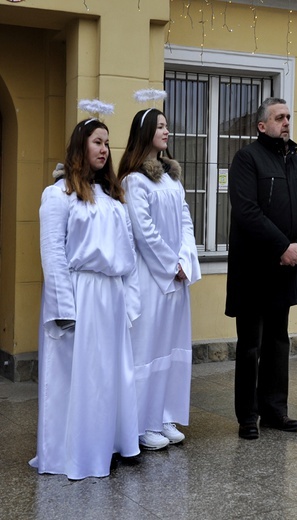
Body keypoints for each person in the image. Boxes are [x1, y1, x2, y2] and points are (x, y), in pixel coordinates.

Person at [30, 118, 141, 479]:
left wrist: (131, 300)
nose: (104, 149)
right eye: (97, 141)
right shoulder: (59, 195)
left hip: (111, 297)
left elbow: (130, 255)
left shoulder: (113, 198)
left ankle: (110, 441)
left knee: (110, 374)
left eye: (107, 142)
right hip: (81, 294)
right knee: (83, 377)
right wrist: (64, 308)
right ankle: (78, 450)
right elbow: (53, 253)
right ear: (82, 146)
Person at [225, 97, 297, 439]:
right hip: (255, 269)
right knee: (251, 344)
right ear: (262, 125)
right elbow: (247, 211)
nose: (286, 123)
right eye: (279, 118)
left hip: (287, 268)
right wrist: (282, 246)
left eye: (288, 117)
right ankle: (248, 416)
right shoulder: (247, 159)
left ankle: (275, 410)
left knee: (279, 342)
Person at [118, 108, 202, 449]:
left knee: (172, 346)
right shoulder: (134, 180)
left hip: (176, 278)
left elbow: (185, 222)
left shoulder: (172, 178)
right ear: (145, 133)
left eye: (168, 125)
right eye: (160, 126)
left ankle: (165, 414)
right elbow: (143, 231)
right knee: (149, 347)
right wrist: (170, 265)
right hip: (152, 278)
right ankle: (142, 423)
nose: (167, 131)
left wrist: (185, 261)